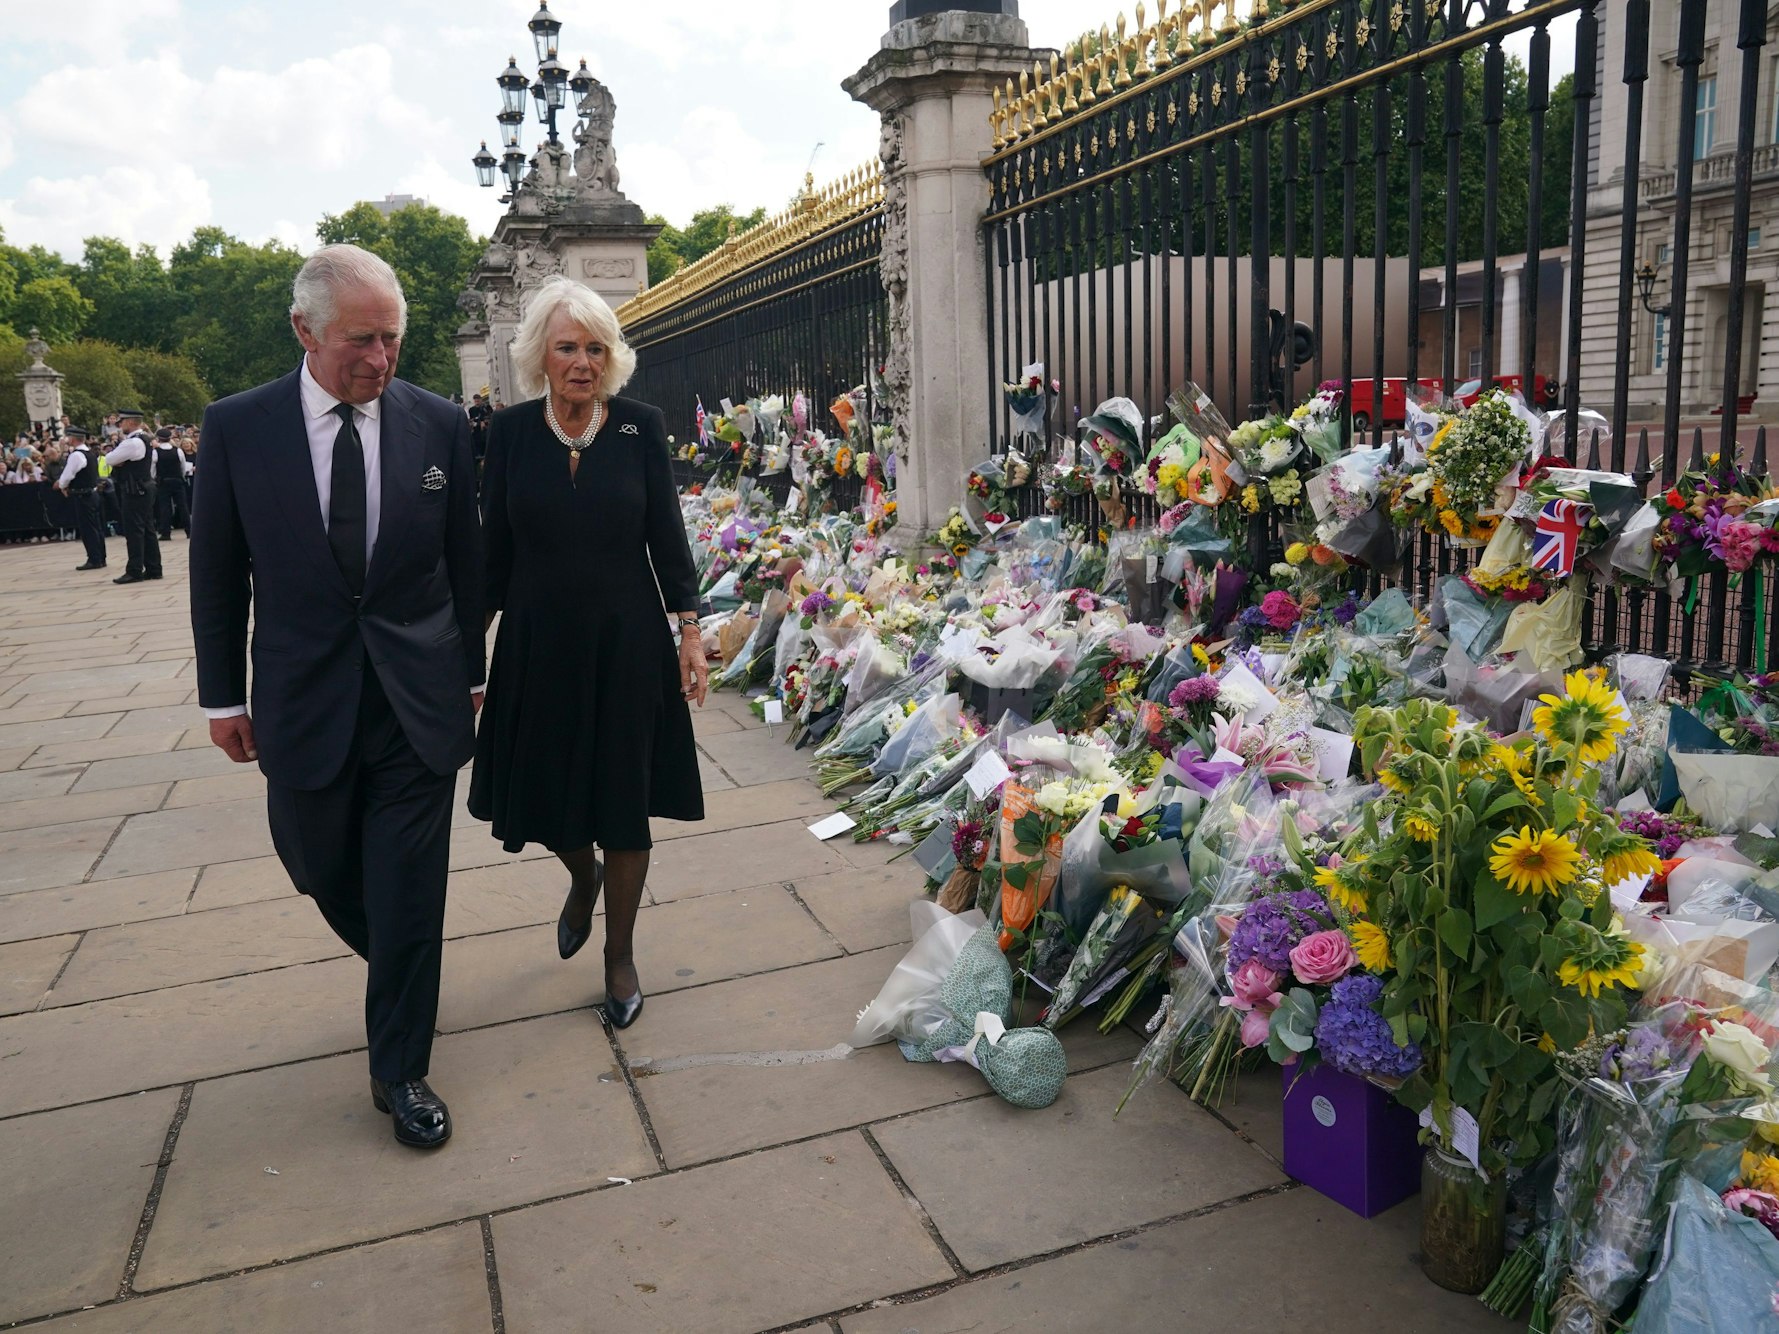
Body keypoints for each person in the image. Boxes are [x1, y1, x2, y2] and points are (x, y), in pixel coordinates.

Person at [190, 244, 486, 1149]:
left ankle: (400, 1067)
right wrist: (220, 698)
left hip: (417, 696)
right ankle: (402, 968)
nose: (380, 360)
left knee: (408, 890)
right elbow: (216, 573)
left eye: (392, 340)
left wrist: (471, 671)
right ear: (303, 329)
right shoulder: (240, 427)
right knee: (316, 864)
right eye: (361, 340)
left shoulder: (436, 424)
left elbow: (465, 565)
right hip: (301, 696)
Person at [467, 275, 706, 1031]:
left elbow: (665, 534)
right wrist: (466, 646)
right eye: (567, 347)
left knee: (624, 801)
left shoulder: (638, 426)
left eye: (595, 348)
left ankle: (619, 955)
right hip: (538, 642)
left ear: (611, 356)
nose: (581, 361)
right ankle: (582, 877)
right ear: (540, 353)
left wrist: (690, 630)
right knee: (548, 796)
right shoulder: (507, 433)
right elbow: (493, 548)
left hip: (627, 640)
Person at [108, 408, 161, 584]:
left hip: (134, 490)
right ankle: (154, 568)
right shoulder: (145, 439)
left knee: (134, 531)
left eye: (121, 422)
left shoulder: (132, 442)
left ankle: (134, 570)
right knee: (147, 529)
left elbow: (109, 459)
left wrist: (120, 460)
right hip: (144, 488)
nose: (120, 425)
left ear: (130, 422)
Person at [54, 426, 108, 570]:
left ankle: (94, 559)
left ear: (72, 438)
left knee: (88, 528)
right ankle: (101, 557)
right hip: (93, 493)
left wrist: (62, 485)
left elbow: (67, 475)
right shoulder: (89, 453)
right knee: (96, 527)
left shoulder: (76, 455)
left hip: (83, 495)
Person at [153, 427, 192, 538]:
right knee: (183, 506)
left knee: (165, 507)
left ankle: (166, 532)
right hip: (177, 480)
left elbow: (153, 469)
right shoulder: (178, 451)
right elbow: (183, 466)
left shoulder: (156, 452)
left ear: (158, 439)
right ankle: (189, 530)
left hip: (163, 481)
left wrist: (155, 478)